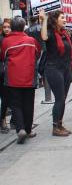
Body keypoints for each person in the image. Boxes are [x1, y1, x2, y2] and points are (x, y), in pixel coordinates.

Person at [0, 16, 41, 144]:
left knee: (16, 105)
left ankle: (20, 129)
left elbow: (3, 56)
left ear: (12, 27)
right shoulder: (31, 40)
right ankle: (28, 130)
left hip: (13, 79)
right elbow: (37, 54)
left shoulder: (6, 42)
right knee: (28, 104)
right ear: (24, 27)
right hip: (29, 77)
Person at [39, 9, 72, 136]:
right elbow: (43, 37)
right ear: (55, 20)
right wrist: (44, 20)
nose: (65, 20)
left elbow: (69, 54)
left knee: (63, 98)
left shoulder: (65, 34)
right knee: (59, 98)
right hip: (53, 69)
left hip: (66, 69)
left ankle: (60, 124)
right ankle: (55, 127)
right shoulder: (50, 33)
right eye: (62, 18)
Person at [25, 17, 53, 105]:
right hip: (44, 51)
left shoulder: (27, 30)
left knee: (33, 70)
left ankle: (34, 86)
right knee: (44, 73)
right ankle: (48, 97)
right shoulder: (42, 28)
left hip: (32, 51)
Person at [0, 19, 12, 133]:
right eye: (5, 27)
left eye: (8, 27)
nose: (7, 29)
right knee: (5, 98)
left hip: (13, 72)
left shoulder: (13, 39)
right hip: (3, 73)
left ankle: (13, 120)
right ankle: (2, 120)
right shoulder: (1, 39)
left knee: (11, 98)